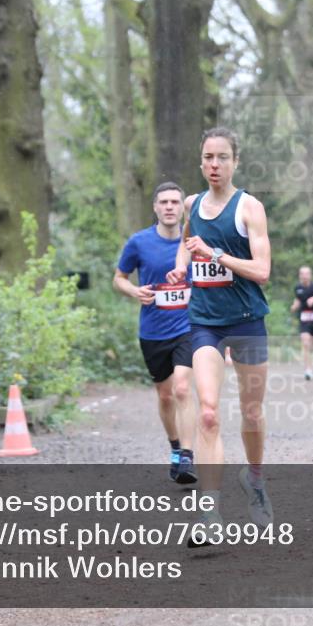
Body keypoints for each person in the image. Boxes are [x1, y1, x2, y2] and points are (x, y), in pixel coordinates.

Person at [166, 127, 273, 546]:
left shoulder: (250, 208)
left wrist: (216, 255)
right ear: (200, 162)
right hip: (204, 321)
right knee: (208, 412)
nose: (214, 165)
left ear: (235, 162)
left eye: (222, 157)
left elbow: (262, 271)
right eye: (208, 157)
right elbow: (186, 246)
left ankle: (257, 480)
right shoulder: (192, 204)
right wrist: (181, 266)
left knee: (251, 413)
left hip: (246, 319)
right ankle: (209, 514)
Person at [114, 182, 197, 484]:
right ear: (155, 207)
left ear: (182, 207)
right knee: (165, 397)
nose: (170, 207)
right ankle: (175, 447)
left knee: (183, 389)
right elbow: (119, 278)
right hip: (153, 331)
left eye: (175, 201)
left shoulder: (193, 242)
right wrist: (135, 291)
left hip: (188, 327)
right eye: (164, 202)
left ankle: (187, 457)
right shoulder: (139, 242)